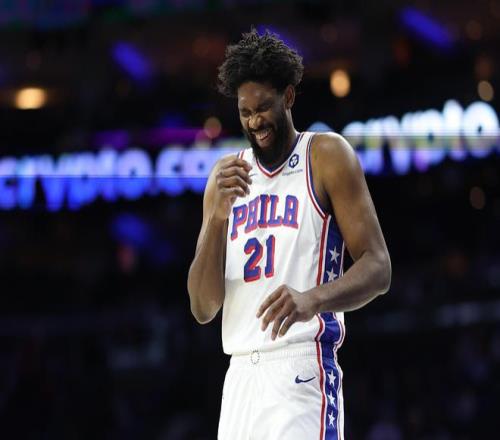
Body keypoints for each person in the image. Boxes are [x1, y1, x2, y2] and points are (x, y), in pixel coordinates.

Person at [187, 28, 391, 440]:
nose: (255, 121)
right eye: (245, 112)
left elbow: (378, 267)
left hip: (300, 367)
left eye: (264, 107)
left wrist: (311, 299)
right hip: (239, 380)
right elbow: (203, 307)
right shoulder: (225, 178)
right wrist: (216, 220)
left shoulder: (326, 156)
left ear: (289, 97)